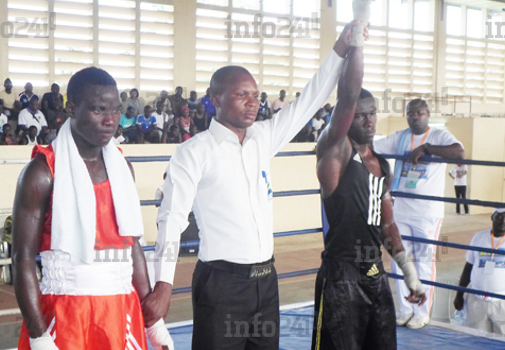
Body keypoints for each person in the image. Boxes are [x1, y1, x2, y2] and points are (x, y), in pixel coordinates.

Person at [142, 21, 361, 350]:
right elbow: (171, 219)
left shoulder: (263, 137)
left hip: (266, 283)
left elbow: (310, 99)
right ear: (215, 99)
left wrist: (342, 46)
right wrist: (163, 283)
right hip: (221, 284)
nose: (252, 102)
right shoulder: (193, 152)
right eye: (241, 94)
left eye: (255, 95)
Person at [12, 67, 167, 350]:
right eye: (98, 110)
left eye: (116, 110)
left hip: (121, 310)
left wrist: (153, 321)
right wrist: (38, 334)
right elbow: (22, 257)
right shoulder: (42, 172)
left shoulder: (123, 169)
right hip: (67, 312)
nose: (110, 120)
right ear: (71, 108)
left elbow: (131, 245)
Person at [312, 37, 425, 349]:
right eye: (360, 114)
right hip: (341, 275)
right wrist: (358, 41)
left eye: (373, 112)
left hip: (374, 272)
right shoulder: (335, 151)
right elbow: (347, 96)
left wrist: (409, 274)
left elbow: (387, 224)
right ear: (347, 118)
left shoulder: (383, 166)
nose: (369, 119)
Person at [375, 98, 464, 329]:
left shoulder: (440, 136)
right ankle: (405, 309)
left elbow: (459, 153)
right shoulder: (400, 136)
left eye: (419, 113)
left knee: (424, 261)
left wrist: (426, 149)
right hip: (401, 209)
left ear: (428, 113)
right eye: (410, 113)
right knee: (399, 260)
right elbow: (374, 147)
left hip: (427, 212)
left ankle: (422, 312)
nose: (415, 117)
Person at [454, 208, 505, 337]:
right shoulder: (478, 238)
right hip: (477, 300)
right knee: (476, 342)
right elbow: (468, 267)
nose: (504, 221)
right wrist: (459, 294)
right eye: (500, 217)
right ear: (492, 217)